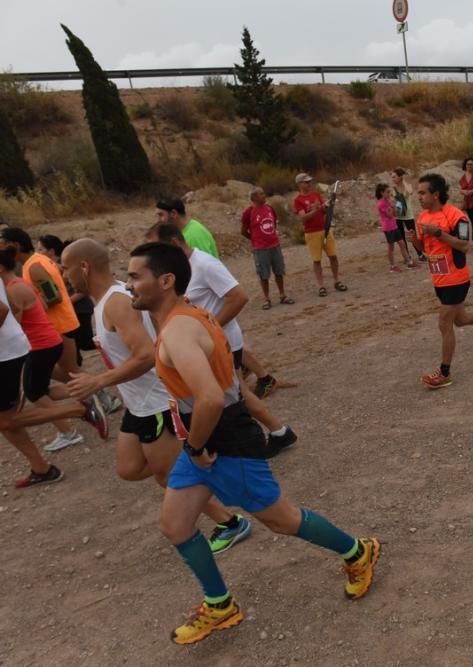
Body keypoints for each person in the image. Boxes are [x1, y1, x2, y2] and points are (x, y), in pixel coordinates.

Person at [126, 241, 380, 645]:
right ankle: (220, 603)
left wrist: (193, 446)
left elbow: (210, 397)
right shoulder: (184, 318)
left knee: (282, 520)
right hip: (205, 442)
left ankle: (357, 551)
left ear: (166, 280)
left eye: (136, 276)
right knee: (175, 525)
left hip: (222, 442)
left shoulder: (179, 330)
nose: (129, 284)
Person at [61, 239, 252, 554]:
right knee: (129, 468)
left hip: (157, 402)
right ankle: (202, 466)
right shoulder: (107, 301)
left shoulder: (116, 302)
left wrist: (99, 381)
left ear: (84, 267)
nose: (62, 273)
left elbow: (146, 354)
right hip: (137, 404)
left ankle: (229, 520)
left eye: (65, 267)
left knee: (167, 474)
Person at [148, 224, 296, 457]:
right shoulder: (183, 269)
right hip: (208, 345)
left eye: (157, 249)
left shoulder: (204, 264)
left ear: (175, 243)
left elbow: (239, 297)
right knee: (238, 393)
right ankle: (278, 432)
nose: (153, 256)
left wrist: (207, 328)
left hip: (219, 343)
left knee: (234, 395)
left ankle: (261, 439)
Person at [407, 173, 473, 389]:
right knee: (461, 319)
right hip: (438, 278)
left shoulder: (456, 216)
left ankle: (444, 372)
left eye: (422, 193)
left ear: (435, 194)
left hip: (456, 278)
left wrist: (439, 233)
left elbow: (465, 246)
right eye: (418, 193)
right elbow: (425, 250)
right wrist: (416, 241)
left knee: (444, 323)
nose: (418, 197)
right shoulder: (422, 218)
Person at [0, 279, 106, 488]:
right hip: (15, 347)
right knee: (7, 419)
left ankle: (80, 410)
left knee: (7, 419)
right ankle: (42, 469)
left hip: (7, 355)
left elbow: (3, 310)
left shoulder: (31, 268)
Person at [0, 248, 88, 455]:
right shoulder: (20, 282)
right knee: (48, 384)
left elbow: (16, 322)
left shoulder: (14, 288)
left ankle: (72, 427)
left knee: (35, 392)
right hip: (48, 339)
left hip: (40, 343)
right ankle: (93, 394)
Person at [39, 235, 97, 358]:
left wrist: (66, 302)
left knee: (85, 343)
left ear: (51, 251)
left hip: (81, 309)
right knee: (77, 343)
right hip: (72, 310)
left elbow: (83, 291)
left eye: (41, 249)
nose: (38, 253)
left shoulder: (63, 267)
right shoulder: (49, 267)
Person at [293, 173, 347, 296]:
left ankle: (336, 280)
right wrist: (316, 209)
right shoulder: (298, 200)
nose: (309, 184)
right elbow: (303, 218)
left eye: (309, 182)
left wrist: (327, 205)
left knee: (333, 256)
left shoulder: (316, 195)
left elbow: (323, 210)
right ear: (300, 184)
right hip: (312, 233)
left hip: (325, 230)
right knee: (317, 260)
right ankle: (321, 286)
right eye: (306, 182)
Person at [240, 187, 293, 310]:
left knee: (279, 271)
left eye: (264, 193)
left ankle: (282, 295)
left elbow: (273, 224)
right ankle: (267, 298)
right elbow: (243, 231)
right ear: (254, 198)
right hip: (260, 248)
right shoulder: (249, 212)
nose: (264, 196)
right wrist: (254, 239)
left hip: (274, 245)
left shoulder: (270, 209)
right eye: (261, 194)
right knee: (263, 274)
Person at [376, 183, 413, 272]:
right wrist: (393, 206)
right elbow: (389, 215)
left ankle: (409, 262)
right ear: (382, 193)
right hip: (388, 228)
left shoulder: (388, 201)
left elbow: (395, 214)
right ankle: (392, 266)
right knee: (391, 247)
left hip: (394, 226)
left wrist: (394, 206)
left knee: (402, 243)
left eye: (390, 192)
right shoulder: (381, 203)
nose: (389, 194)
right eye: (387, 192)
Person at [390, 168, 425, 261]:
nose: (393, 179)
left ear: (400, 177)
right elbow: (394, 201)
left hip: (408, 215)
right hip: (399, 216)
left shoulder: (407, 185)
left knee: (413, 235)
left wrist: (403, 180)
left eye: (394, 177)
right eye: (392, 177)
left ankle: (420, 254)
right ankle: (407, 256)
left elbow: (410, 192)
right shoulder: (393, 189)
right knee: (401, 237)